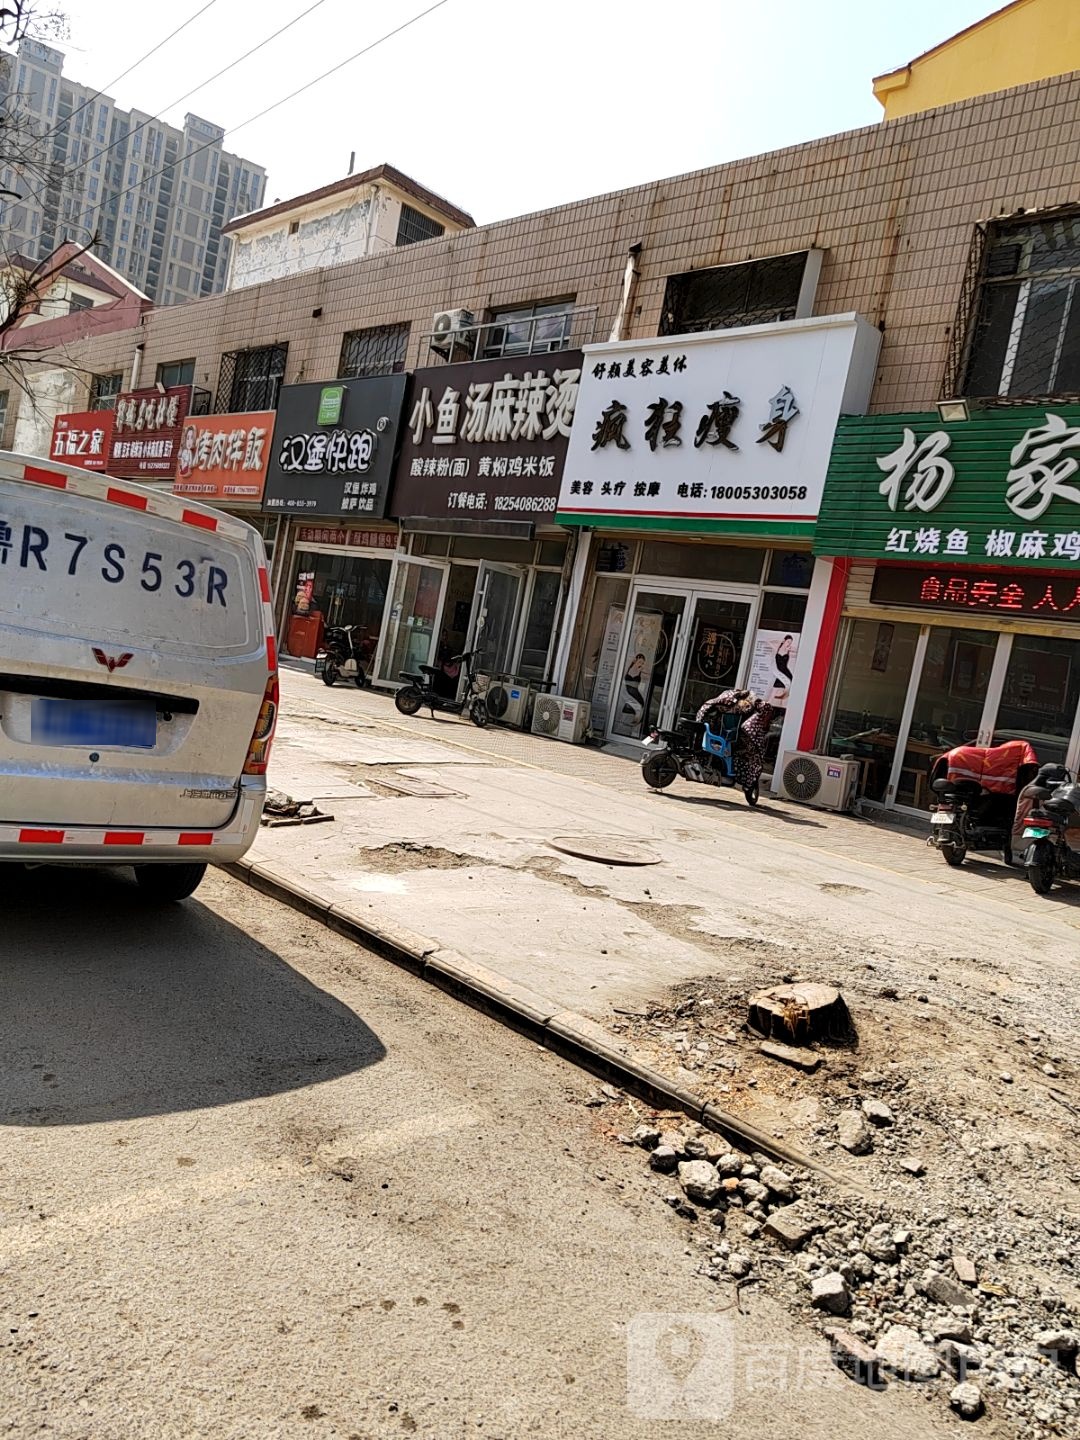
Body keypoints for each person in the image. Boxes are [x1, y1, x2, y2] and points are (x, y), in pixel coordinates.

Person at [621, 652, 647, 717]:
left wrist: (642, 668)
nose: (640, 664)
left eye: (642, 663)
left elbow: (648, 675)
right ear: (636, 659)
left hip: (635, 696)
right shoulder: (629, 668)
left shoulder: (640, 670)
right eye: (640, 662)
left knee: (639, 709)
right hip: (630, 695)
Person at [771, 635, 794, 704]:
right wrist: (780, 641)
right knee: (776, 687)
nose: (789, 644)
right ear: (784, 640)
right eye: (788, 641)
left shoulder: (788, 650)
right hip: (780, 672)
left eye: (790, 642)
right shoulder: (777, 649)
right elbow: (769, 642)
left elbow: (797, 650)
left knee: (785, 689)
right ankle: (770, 701)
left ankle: (782, 703)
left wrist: (789, 648)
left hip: (786, 673)